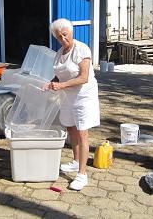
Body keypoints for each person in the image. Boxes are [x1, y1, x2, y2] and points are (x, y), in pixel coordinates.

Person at [44, 18, 100, 191]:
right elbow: (60, 75)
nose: (63, 39)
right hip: (68, 96)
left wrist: (61, 85)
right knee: (70, 128)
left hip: (83, 96)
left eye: (65, 34)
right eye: (59, 36)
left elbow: (83, 77)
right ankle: (76, 161)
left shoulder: (81, 49)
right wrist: (50, 83)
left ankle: (82, 174)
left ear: (71, 32)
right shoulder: (59, 52)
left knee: (82, 132)